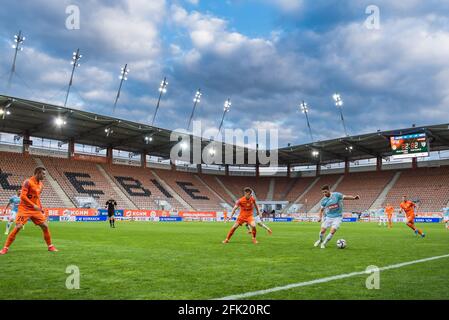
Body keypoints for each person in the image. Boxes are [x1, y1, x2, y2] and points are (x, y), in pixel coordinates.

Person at [0, 167, 57, 255]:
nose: (44, 176)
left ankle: (50, 246)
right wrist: (33, 205)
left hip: (35, 210)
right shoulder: (28, 182)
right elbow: (23, 196)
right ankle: (5, 248)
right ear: (38, 173)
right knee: (18, 227)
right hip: (24, 209)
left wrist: (40, 208)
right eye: (43, 174)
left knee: (45, 226)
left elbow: (37, 198)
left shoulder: (41, 185)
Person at [314, 185, 360, 249]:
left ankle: (324, 243)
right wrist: (319, 217)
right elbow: (321, 210)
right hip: (328, 217)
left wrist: (354, 198)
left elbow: (345, 197)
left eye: (325, 192)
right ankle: (320, 240)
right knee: (322, 231)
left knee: (332, 231)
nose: (324, 194)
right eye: (323, 192)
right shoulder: (324, 200)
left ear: (329, 190)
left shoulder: (336, 195)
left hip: (338, 217)